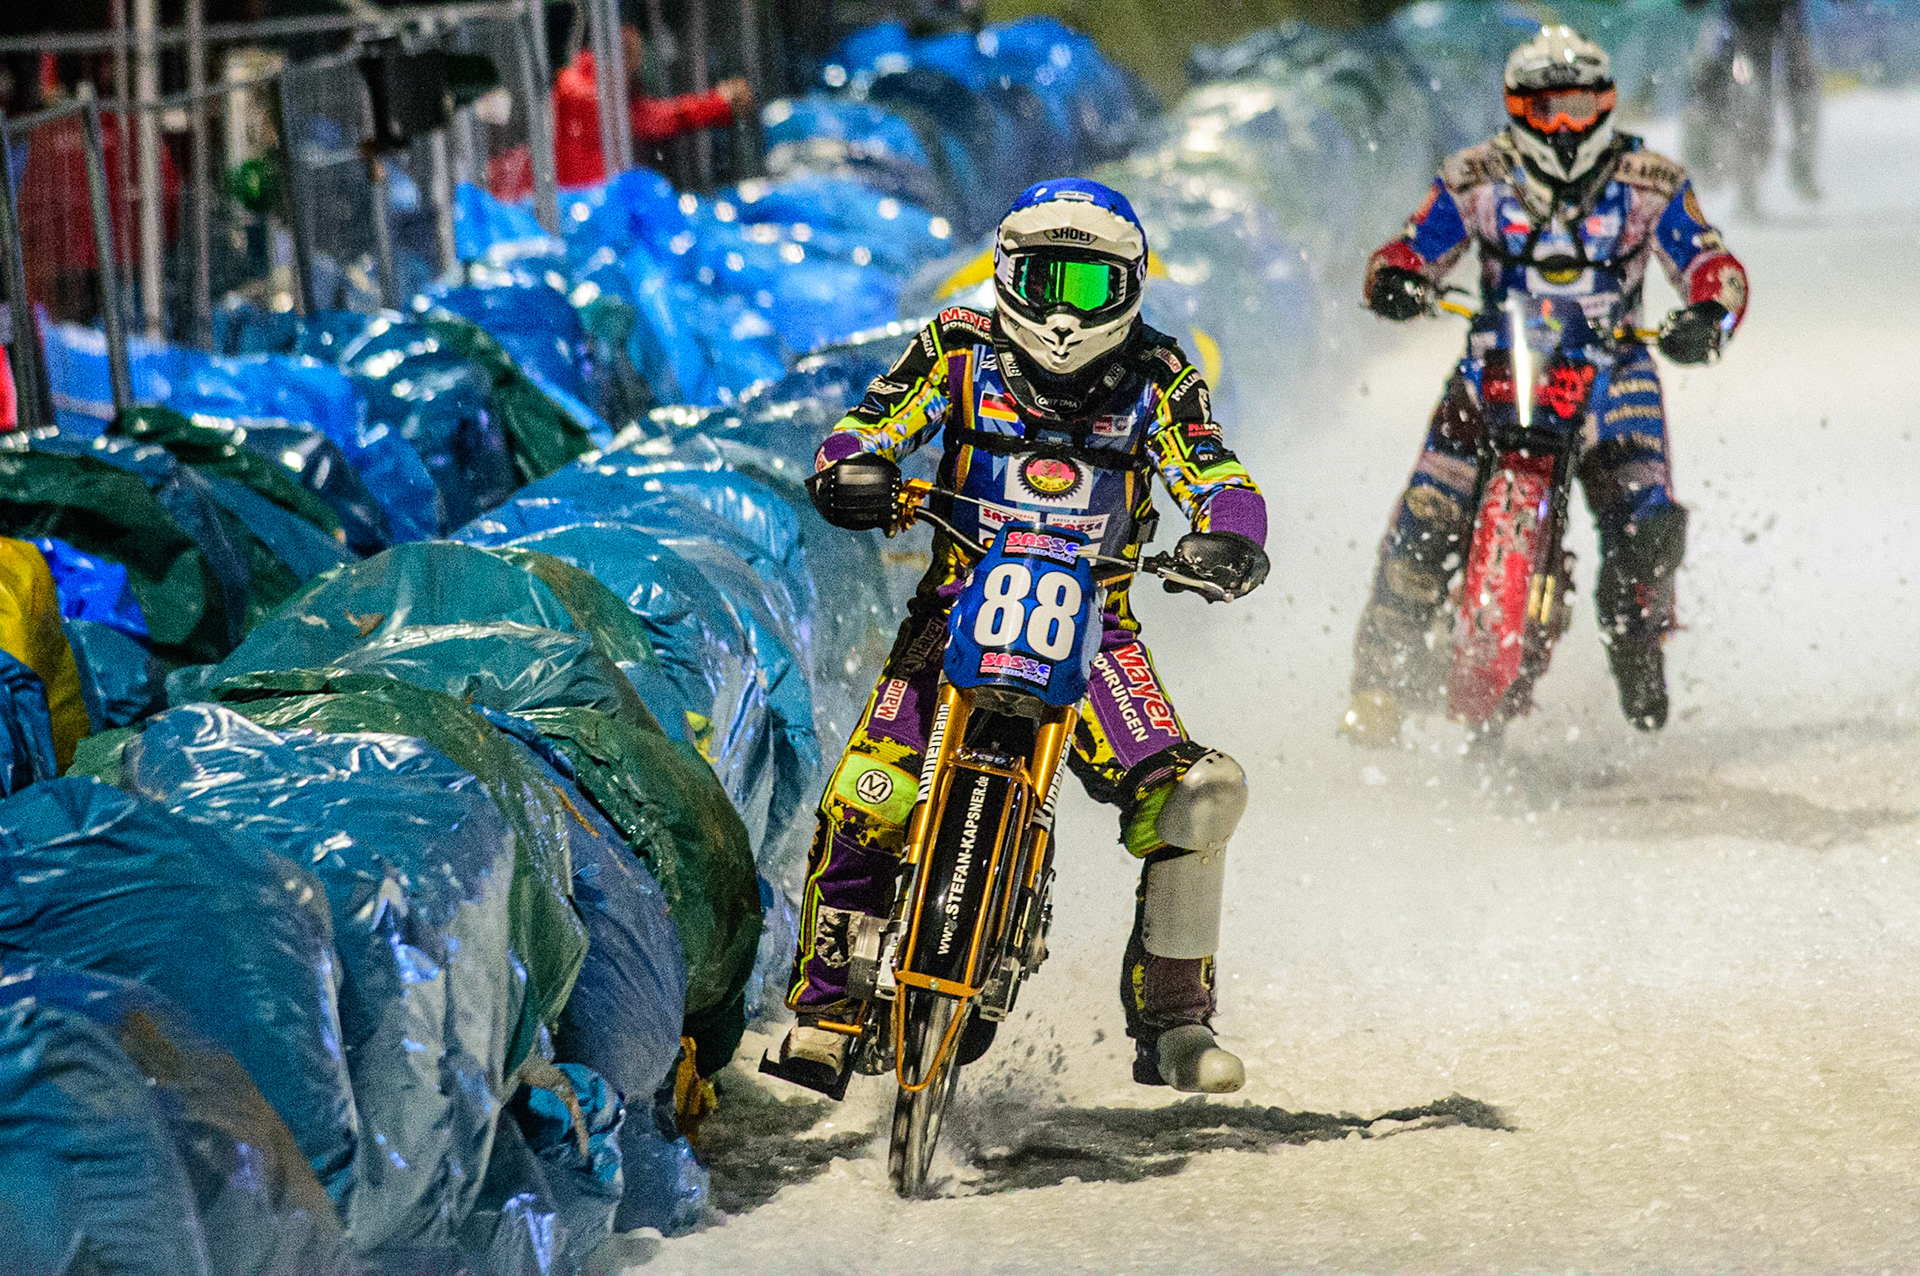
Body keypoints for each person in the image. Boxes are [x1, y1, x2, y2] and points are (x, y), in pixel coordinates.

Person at [770, 179, 1271, 1096]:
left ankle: (1175, 1024)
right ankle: (827, 1014)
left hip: (1098, 633)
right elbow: (866, 424)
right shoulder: (955, 349)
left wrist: (1233, 532)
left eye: (1088, 289)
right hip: (954, 609)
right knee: (866, 794)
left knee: (1201, 796)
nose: (1062, 314)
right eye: (1044, 281)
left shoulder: (1161, 377)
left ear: (1129, 289)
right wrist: (852, 471)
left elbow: (1214, 465)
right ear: (1006, 273)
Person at [1344, 26, 1749, 744]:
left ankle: (1637, 640)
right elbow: (1413, 245)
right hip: (1495, 362)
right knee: (1425, 514)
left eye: (1575, 106)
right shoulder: (1474, 175)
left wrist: (1707, 315)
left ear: (1607, 103)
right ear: (1513, 106)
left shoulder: (1651, 180)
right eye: (1544, 108)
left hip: (1611, 366)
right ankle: (1379, 686)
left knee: (1645, 524)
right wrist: (1399, 279)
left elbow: (1710, 263)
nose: (1561, 126)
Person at [550, 22, 753, 186]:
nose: (636, 60)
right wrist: (719, 104)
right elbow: (653, 118)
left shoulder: (588, 83)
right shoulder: (580, 89)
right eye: (628, 50)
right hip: (588, 206)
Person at [1682, 0, 1822, 212]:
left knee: (1802, 81)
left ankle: (1802, 168)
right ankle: (1707, 164)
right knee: (1711, 84)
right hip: (1735, 29)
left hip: (1781, 28)